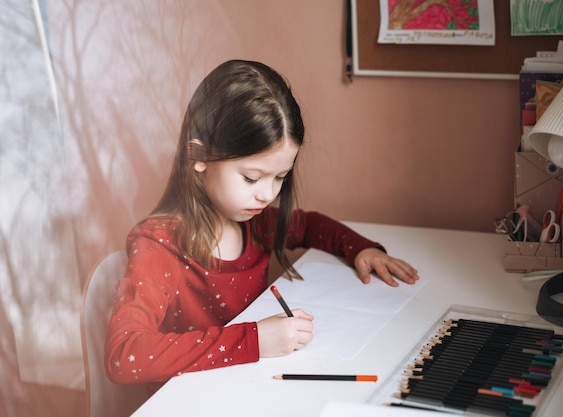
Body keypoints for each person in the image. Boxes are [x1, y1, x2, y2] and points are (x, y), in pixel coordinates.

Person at [104, 60, 419, 394]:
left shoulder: (254, 221)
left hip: (251, 389)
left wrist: (361, 248)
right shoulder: (158, 247)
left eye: (280, 177)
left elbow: (310, 225)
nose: (268, 194)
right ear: (198, 156)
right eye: (252, 178)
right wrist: (254, 340)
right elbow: (125, 356)